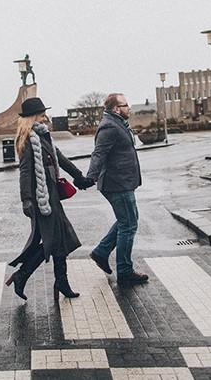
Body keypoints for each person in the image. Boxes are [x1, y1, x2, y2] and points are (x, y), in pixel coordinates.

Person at [6, 97, 93, 301]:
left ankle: (59, 281)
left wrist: (78, 176)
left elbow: (60, 158)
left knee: (60, 237)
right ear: (33, 117)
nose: (46, 118)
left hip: (52, 194)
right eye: (42, 114)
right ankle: (23, 275)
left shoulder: (43, 136)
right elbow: (25, 171)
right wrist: (26, 199)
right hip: (40, 197)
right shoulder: (27, 139)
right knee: (52, 240)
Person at [86, 93, 148, 285]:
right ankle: (124, 270)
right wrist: (90, 176)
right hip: (117, 183)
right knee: (128, 224)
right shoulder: (109, 126)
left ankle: (101, 252)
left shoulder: (118, 123)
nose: (128, 108)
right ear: (115, 108)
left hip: (122, 181)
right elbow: (99, 153)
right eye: (125, 105)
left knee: (127, 221)